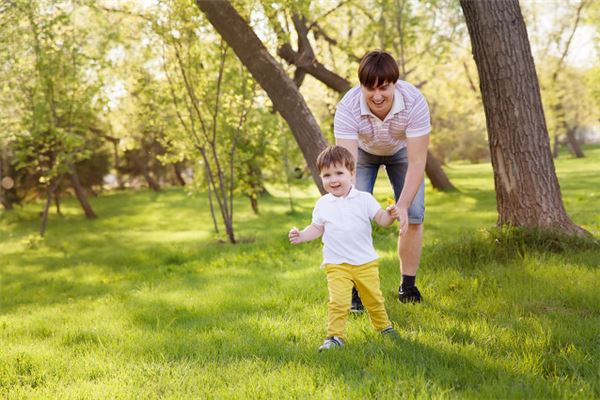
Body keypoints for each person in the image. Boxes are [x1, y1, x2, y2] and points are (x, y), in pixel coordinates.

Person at [334, 50, 430, 307]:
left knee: (415, 213)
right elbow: (346, 165)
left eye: (384, 88)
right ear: (361, 85)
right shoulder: (348, 107)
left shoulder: (414, 102)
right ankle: (357, 290)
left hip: (401, 152)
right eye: (369, 88)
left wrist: (404, 204)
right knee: (351, 214)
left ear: (394, 84)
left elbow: (418, 161)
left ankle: (407, 287)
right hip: (361, 155)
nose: (377, 95)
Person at [288, 145, 400, 352]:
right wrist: (302, 235)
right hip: (336, 263)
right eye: (327, 175)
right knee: (338, 302)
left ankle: (384, 327)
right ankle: (335, 337)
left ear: (352, 173)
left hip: (365, 262)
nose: (333, 179)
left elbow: (381, 220)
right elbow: (316, 228)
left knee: (373, 298)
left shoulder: (364, 199)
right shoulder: (323, 204)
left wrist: (390, 215)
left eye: (339, 173)